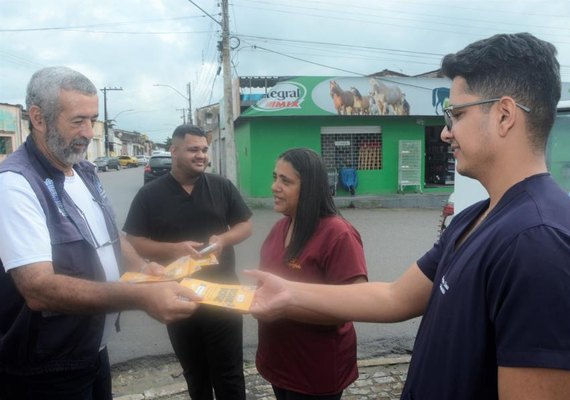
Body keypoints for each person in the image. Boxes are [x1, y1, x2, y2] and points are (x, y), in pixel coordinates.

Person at [246, 32, 570, 400]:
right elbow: (394, 297)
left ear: (505, 115)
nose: (447, 133)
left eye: (457, 114)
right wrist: (289, 294)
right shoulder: (476, 217)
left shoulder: (539, 242)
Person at [0, 66, 200, 400]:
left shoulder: (84, 170)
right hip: (44, 369)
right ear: (38, 117)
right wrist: (141, 296)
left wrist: (141, 268)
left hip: (92, 349)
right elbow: (38, 289)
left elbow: (111, 237)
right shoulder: (15, 184)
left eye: (92, 120)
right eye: (77, 120)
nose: (89, 132)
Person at [123, 123, 253, 400]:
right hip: (177, 296)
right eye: (193, 149)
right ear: (174, 150)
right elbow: (133, 241)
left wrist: (222, 239)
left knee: (229, 372)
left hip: (224, 295)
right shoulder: (150, 194)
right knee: (195, 372)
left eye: (204, 149)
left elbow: (245, 226)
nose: (201, 155)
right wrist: (173, 249)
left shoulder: (221, 186)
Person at [257, 148, 368, 400]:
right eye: (275, 177)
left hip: (315, 370)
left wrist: (281, 308)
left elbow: (353, 304)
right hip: (279, 361)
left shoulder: (338, 234)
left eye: (285, 181)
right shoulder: (280, 227)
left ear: (310, 187)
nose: (274, 186)